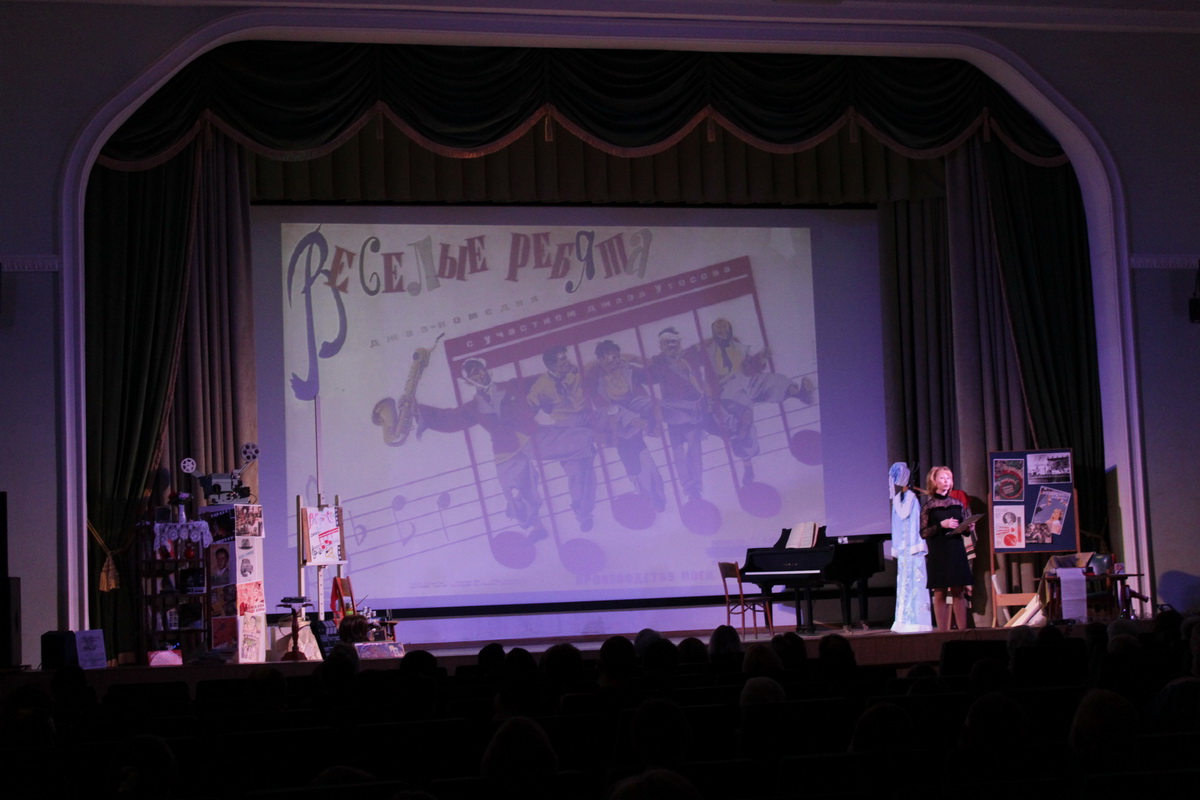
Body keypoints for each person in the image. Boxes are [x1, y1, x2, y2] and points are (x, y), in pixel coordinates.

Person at [416, 358, 547, 538]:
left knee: (529, 488)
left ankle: (538, 524)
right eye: (474, 374)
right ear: (469, 382)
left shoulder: (511, 386)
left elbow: (540, 382)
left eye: (480, 370)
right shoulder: (474, 408)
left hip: (528, 440)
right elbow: (450, 419)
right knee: (513, 490)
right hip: (504, 451)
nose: (480, 374)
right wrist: (418, 411)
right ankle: (530, 522)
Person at [702, 318, 811, 485]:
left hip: (745, 380)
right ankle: (748, 466)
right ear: (714, 332)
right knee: (743, 424)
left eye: (724, 327)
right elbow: (704, 377)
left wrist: (761, 357)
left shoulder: (738, 346)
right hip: (726, 389)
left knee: (772, 380)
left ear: (730, 329)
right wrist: (711, 397)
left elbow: (750, 368)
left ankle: (799, 393)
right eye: (718, 328)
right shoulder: (709, 351)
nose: (722, 330)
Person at [584, 339, 666, 512]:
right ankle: (652, 498)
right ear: (600, 360)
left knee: (642, 456)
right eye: (610, 358)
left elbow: (655, 375)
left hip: (633, 415)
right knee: (635, 460)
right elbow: (602, 405)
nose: (615, 361)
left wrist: (634, 359)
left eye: (617, 357)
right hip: (615, 422)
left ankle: (656, 497)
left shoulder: (628, 369)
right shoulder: (594, 378)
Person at [527, 345, 598, 531]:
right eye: (562, 359)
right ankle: (583, 514)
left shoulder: (577, 374)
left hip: (587, 421)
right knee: (577, 471)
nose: (567, 361)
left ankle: (584, 512)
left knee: (587, 472)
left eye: (566, 357)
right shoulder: (541, 386)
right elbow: (527, 413)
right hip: (565, 431)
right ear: (552, 365)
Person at [647, 327, 710, 500]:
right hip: (673, 412)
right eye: (666, 343)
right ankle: (689, 487)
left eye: (674, 342)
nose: (671, 345)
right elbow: (645, 374)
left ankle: (695, 487)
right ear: (661, 346)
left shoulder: (690, 356)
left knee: (694, 448)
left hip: (692, 407)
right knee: (678, 451)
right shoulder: (658, 362)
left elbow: (707, 346)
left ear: (679, 343)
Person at [919, 466, 974, 631]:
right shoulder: (929, 506)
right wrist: (940, 525)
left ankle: (963, 632)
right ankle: (942, 632)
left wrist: (968, 528)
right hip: (938, 552)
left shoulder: (957, 504)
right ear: (934, 481)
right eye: (942, 478)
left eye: (948, 478)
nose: (946, 481)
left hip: (956, 550)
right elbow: (923, 533)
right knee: (940, 592)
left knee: (959, 591)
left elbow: (963, 528)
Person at [888, 462, 932, 632]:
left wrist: (903, 545)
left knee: (914, 582)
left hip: (909, 549)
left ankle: (915, 621)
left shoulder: (908, 499)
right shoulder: (904, 500)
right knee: (907, 583)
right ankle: (905, 621)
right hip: (908, 548)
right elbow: (902, 524)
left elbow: (910, 523)